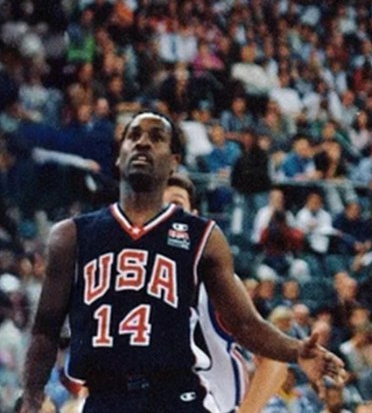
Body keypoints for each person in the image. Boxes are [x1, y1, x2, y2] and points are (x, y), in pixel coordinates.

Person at [18, 111, 343, 413]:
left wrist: (296, 351)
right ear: (118, 156)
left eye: (156, 137)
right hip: (104, 396)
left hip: (175, 396)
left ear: (174, 162)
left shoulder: (203, 237)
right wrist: (32, 397)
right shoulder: (71, 235)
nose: (143, 142)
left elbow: (246, 325)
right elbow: (45, 329)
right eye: (134, 136)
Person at [164, 171, 289, 413]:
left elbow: (274, 360)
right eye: (158, 207)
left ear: (193, 218)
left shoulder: (214, 283)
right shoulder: (125, 285)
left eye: (176, 204)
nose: (167, 214)